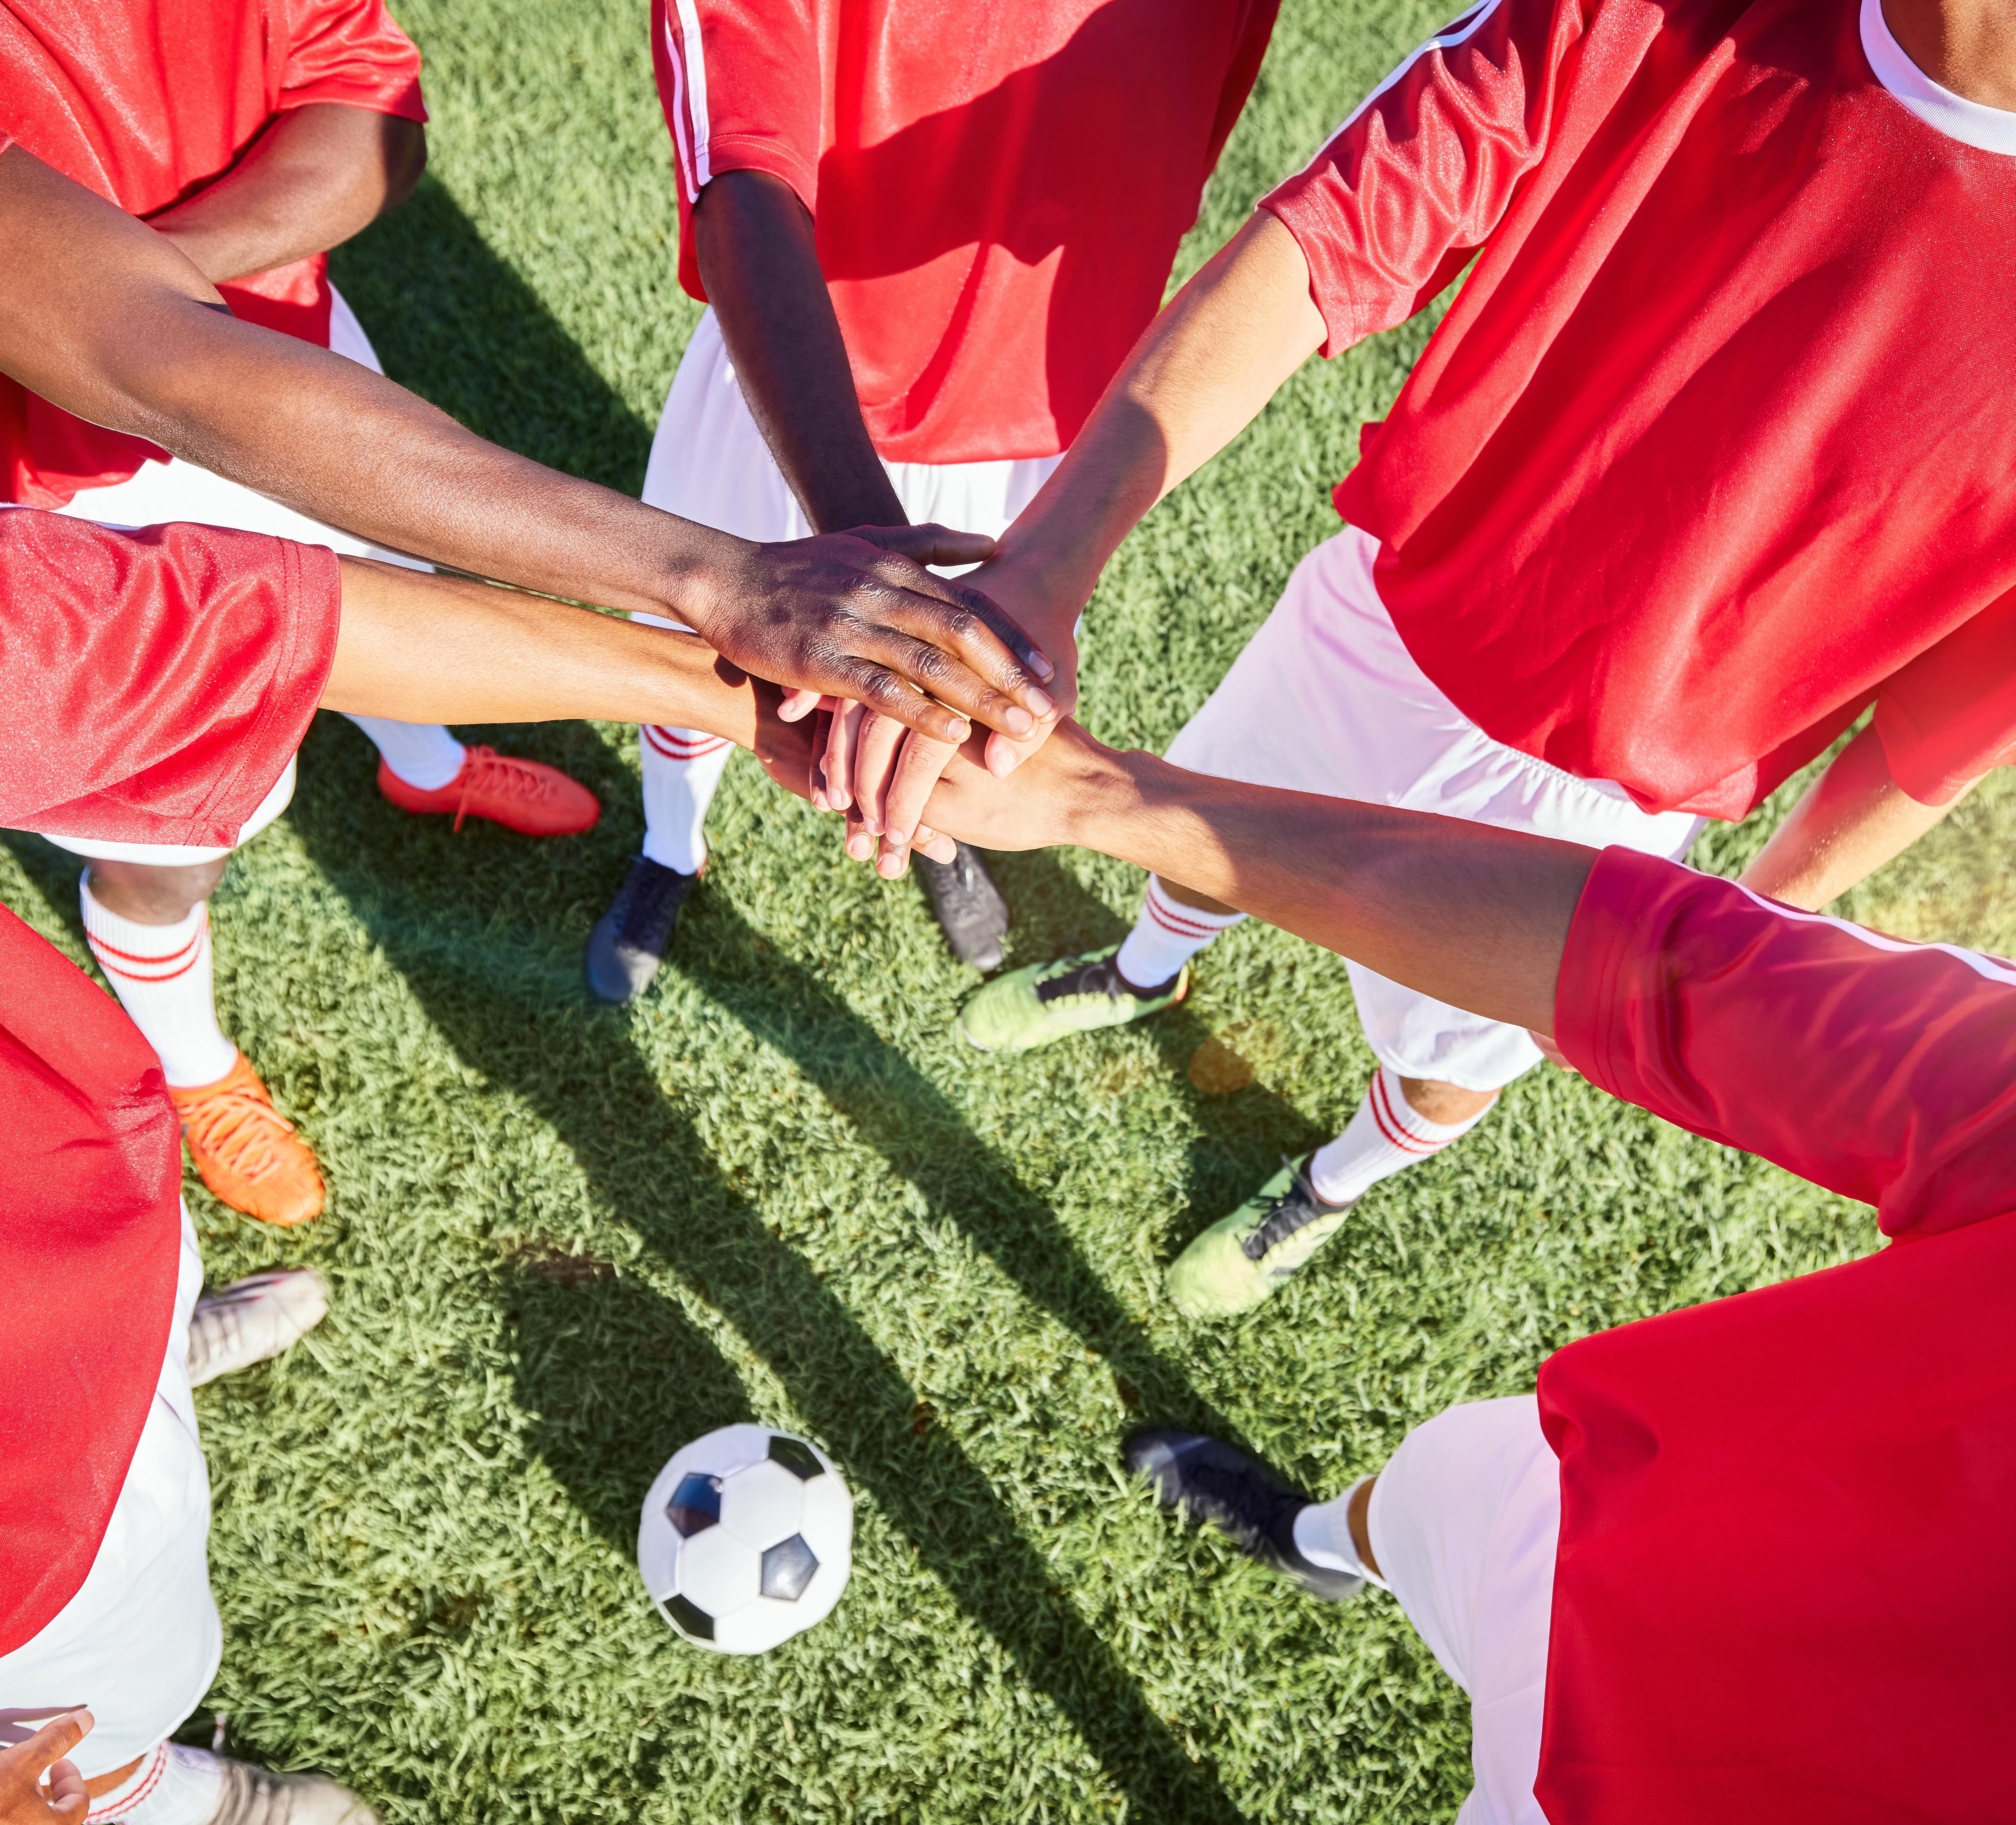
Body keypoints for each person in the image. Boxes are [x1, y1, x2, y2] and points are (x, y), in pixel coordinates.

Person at [0, 0, 1058, 1222]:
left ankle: (424, 771)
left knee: (391, 599)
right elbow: (140, 362)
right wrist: (722, 585)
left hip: (287, 356)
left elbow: (369, 113)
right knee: (165, 831)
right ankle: (188, 1056)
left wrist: (110, 278)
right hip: (39, 473)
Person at [0, 445, 831, 1825]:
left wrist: (712, 668)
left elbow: (164, 623)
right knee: (125, 1705)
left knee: (146, 1292)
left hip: (47, 1214)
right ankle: (198, 1801)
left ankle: (160, 1367)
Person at [904, 0, 2016, 1316]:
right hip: (1383, 615)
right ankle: (1143, 971)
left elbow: (1949, 721)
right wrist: (1048, 559)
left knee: (1450, 1060)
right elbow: (1335, 232)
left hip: (1601, 800)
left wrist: (1740, 936)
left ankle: (1332, 1181)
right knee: (1178, 812)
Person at [885, 707, 2016, 1822]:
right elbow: (1671, 971)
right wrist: (1101, 800)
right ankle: (1313, 1544)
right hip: (1609, 1514)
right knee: (1431, 1484)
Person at [585, 0, 1280, 999]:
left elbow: (1177, 131)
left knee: (962, 697)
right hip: (796, 383)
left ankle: (936, 830)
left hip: (1043, 408)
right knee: (701, 655)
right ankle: (669, 844)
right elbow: (739, 172)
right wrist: (870, 542)